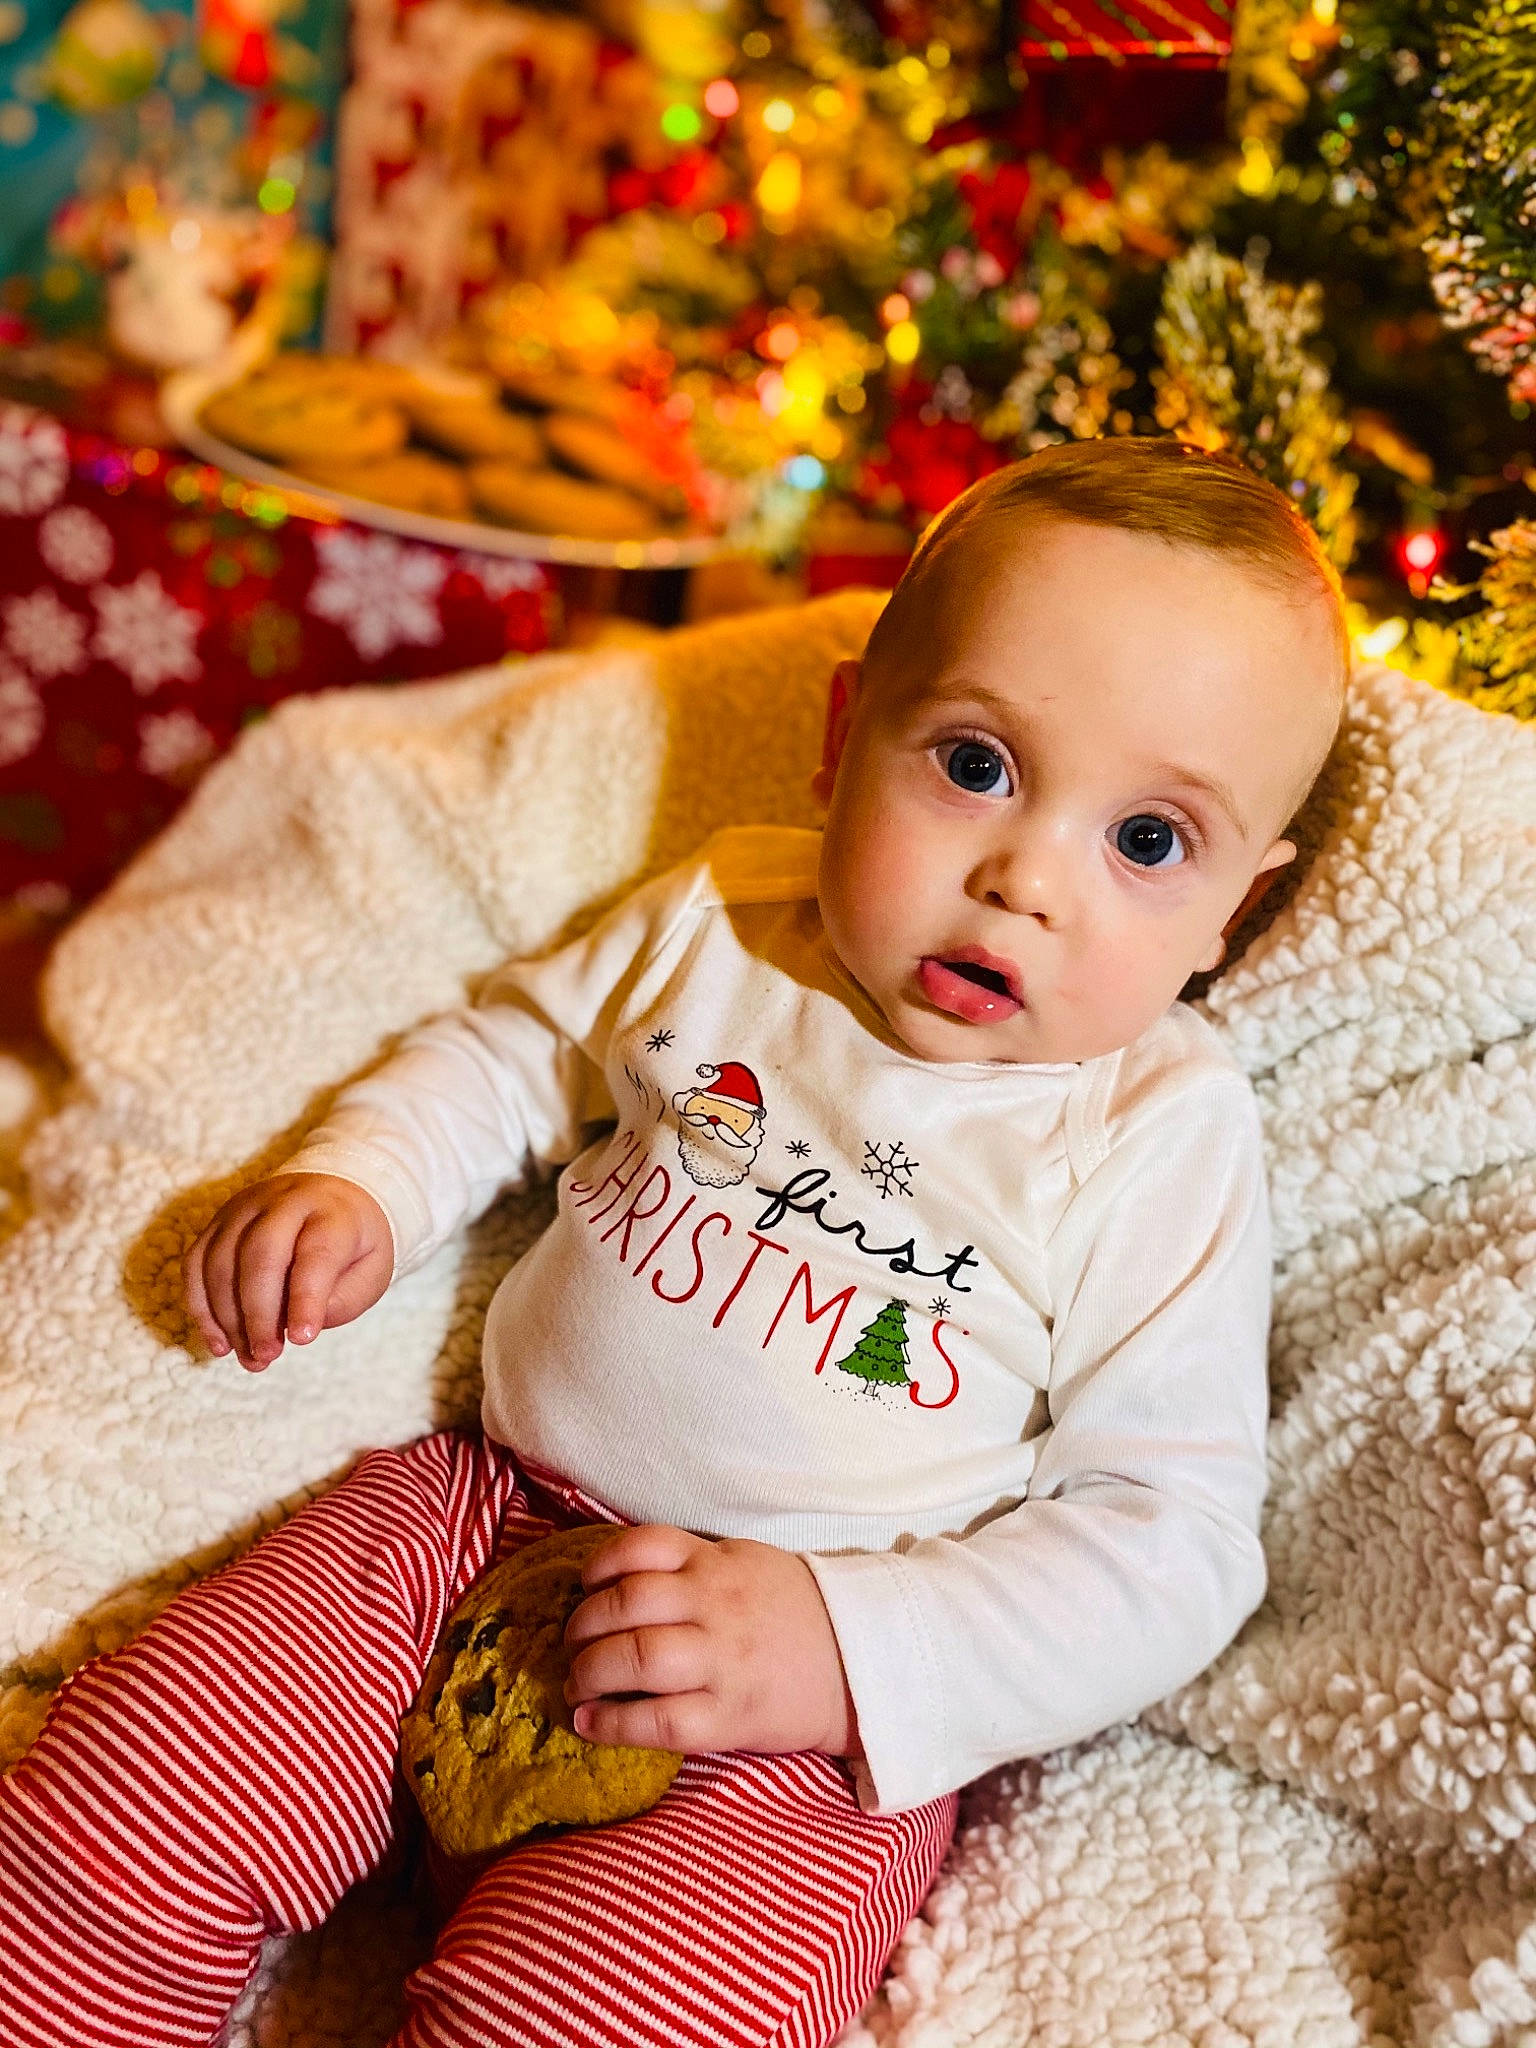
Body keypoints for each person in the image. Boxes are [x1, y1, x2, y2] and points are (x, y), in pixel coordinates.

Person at [0, 436, 1348, 2048]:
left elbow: (1169, 1540)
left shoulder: (1158, 1137)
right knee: (125, 1807)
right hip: (467, 1523)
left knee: (605, 2015)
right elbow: (509, 1051)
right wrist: (362, 1182)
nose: (1021, 879)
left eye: (1147, 843)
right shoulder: (724, 924)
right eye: (976, 765)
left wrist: (847, 1650)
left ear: (1235, 919)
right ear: (847, 738)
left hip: (786, 1716)